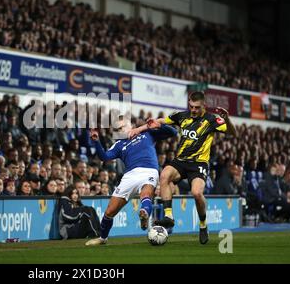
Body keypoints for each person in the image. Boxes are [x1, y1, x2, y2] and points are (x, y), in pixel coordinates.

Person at [129, 91, 236, 244]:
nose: (193, 110)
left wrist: (228, 119)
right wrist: (139, 129)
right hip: (181, 161)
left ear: (204, 106)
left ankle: (203, 224)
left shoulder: (212, 120)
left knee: (197, 193)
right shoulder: (182, 116)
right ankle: (169, 216)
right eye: (191, 106)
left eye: (197, 108)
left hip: (199, 163)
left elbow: (233, 132)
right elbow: (161, 121)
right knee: (164, 175)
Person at [85, 115, 177, 246]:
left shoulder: (146, 133)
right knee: (110, 211)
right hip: (129, 176)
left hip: (148, 170)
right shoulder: (118, 144)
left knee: (146, 193)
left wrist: (159, 125)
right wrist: (96, 141)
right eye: (117, 129)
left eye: (123, 126)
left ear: (131, 125)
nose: (120, 130)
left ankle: (144, 213)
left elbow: (173, 132)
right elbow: (104, 157)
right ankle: (102, 238)